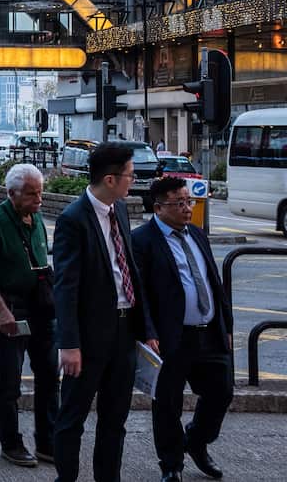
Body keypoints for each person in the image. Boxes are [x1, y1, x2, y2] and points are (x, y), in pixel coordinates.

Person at [52, 142, 157, 482]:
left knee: (115, 419)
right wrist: (69, 344)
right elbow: (65, 286)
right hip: (88, 337)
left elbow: (132, 272)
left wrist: (148, 330)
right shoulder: (73, 219)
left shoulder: (120, 210)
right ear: (110, 179)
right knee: (72, 418)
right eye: (130, 175)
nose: (133, 181)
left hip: (124, 332)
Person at [132, 176, 233, 482]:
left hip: (209, 332)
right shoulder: (142, 241)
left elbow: (214, 282)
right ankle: (171, 463)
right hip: (170, 337)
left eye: (189, 201)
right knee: (167, 403)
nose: (188, 208)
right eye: (179, 203)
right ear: (158, 207)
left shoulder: (197, 234)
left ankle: (197, 441)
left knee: (221, 393)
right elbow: (140, 293)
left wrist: (225, 325)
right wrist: (148, 333)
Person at [0, 163, 58, 467]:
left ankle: (47, 440)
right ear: (12, 193)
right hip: (11, 306)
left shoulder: (37, 217)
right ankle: (10, 442)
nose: (39, 199)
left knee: (49, 375)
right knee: (10, 380)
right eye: (31, 194)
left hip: (41, 306)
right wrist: (1, 311)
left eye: (40, 193)